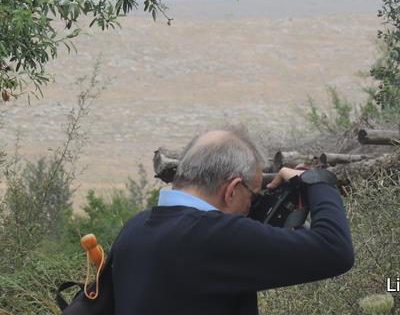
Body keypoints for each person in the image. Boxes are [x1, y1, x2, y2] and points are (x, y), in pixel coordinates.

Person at [110, 128, 354, 315]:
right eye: (252, 197)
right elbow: (334, 249)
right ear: (232, 190)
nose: (250, 208)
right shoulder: (217, 235)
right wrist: (317, 181)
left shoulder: (134, 229)